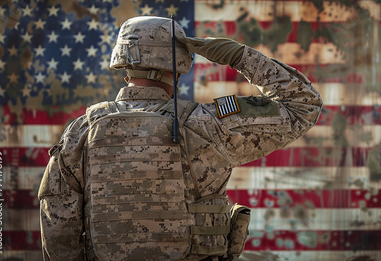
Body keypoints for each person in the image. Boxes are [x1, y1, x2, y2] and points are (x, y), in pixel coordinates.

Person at [38, 16, 322, 261]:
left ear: (123, 64)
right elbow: (303, 105)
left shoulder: (80, 133)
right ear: (177, 65)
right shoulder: (208, 126)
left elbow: (58, 230)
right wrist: (237, 56)